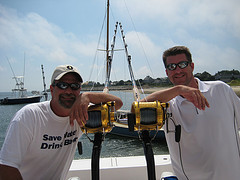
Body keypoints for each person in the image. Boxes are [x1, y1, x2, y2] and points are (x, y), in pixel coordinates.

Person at [0, 64, 123, 180]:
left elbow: (117, 104)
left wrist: (88, 96)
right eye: (63, 85)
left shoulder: (81, 113)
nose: (69, 91)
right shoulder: (29, 116)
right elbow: (6, 167)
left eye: (75, 86)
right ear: (52, 89)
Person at [141, 46, 240, 180]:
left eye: (182, 64)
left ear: (192, 66)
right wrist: (179, 90)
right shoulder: (167, 105)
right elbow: (137, 108)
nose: (177, 70)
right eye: (171, 67)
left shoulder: (221, 90)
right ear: (166, 72)